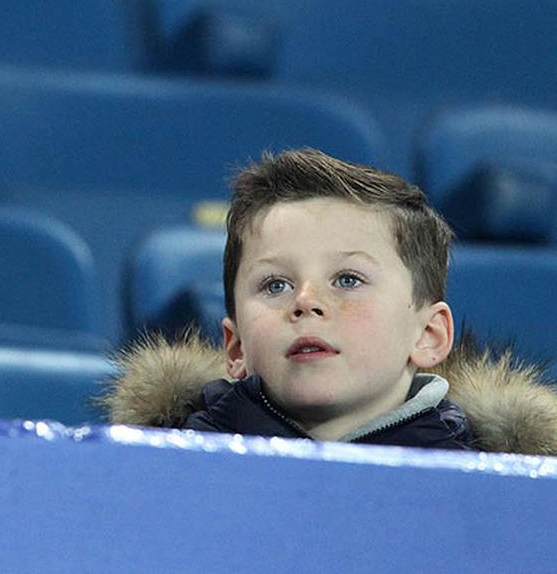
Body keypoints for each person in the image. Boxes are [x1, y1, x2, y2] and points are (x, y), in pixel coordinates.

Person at [104, 149, 557, 454]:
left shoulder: (500, 492)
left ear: (428, 335)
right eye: (275, 285)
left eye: (347, 279)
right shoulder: (168, 466)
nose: (306, 302)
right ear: (235, 348)